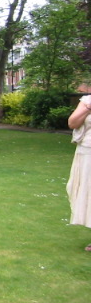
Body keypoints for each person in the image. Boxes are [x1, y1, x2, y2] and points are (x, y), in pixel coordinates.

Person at [66, 94, 91, 250]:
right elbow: (72, 123)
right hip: (88, 152)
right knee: (89, 193)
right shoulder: (87, 101)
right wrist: (88, 108)